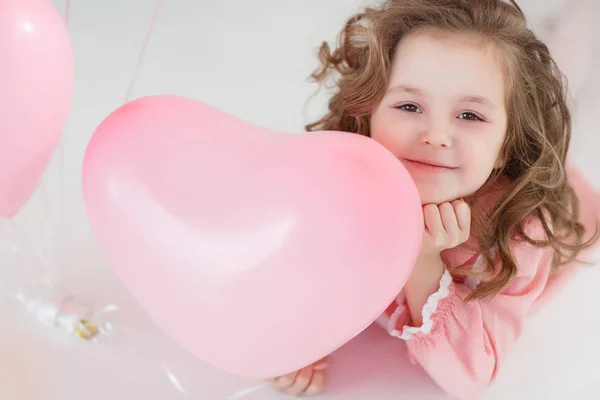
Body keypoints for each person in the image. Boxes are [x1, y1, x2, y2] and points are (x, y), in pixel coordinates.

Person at [267, 0, 600, 398]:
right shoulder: (342, 178)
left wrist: (424, 260)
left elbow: (468, 377)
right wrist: (298, 342)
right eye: (409, 106)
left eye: (470, 116)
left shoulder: (521, 232)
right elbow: (306, 269)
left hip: (569, 202)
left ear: (506, 147)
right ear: (368, 114)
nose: (436, 135)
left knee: (571, 87)